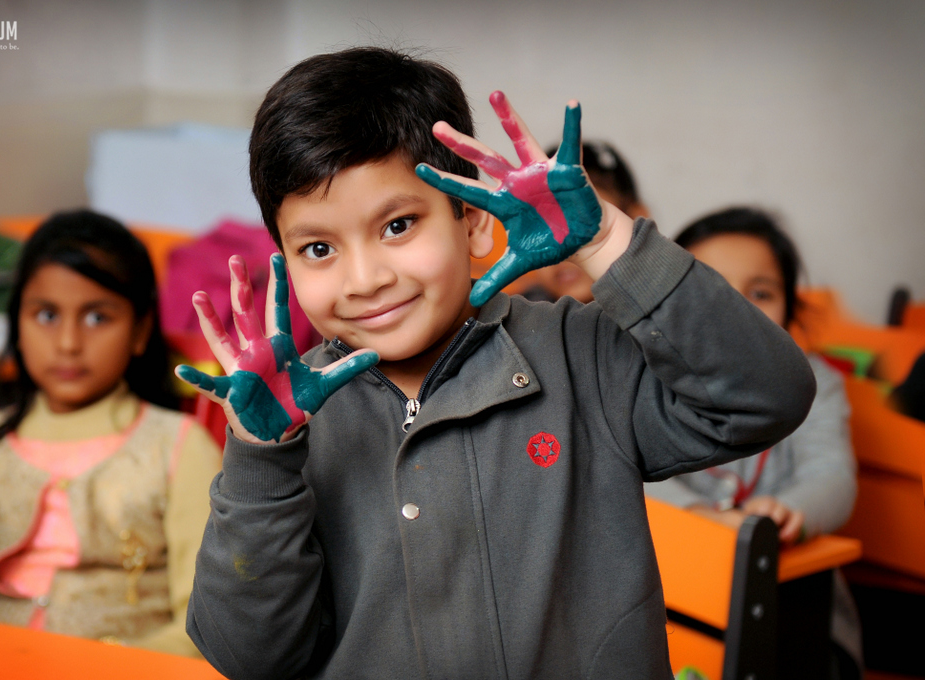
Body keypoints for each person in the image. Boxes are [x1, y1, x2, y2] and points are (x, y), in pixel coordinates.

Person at [177, 47, 816, 679]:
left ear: (477, 223)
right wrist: (260, 456)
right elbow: (250, 656)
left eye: (398, 226)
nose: (365, 279)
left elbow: (766, 396)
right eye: (319, 246)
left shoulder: (583, 356)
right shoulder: (290, 428)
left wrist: (606, 241)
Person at [0, 210, 222, 657]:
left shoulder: (180, 448)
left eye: (97, 318)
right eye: (47, 314)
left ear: (140, 330)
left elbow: (203, 623)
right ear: (18, 323)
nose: (68, 342)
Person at [645, 206, 861, 678]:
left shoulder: (816, 383)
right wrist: (700, 516)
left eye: (760, 293)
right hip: (674, 608)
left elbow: (833, 478)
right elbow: (628, 475)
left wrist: (789, 514)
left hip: (796, 613)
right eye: (712, 289)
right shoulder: (645, 382)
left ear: (791, 306)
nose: (737, 309)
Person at [523, 140, 651, 303]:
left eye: (584, 219)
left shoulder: (677, 306)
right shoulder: (508, 323)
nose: (562, 243)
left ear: (638, 218)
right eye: (543, 227)